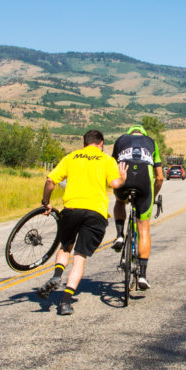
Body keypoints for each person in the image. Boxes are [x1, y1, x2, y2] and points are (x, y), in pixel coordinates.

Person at [37, 130, 128, 315]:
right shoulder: (107, 160)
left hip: (71, 209)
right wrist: (123, 178)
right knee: (79, 258)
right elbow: (116, 184)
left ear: (84, 143)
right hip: (96, 213)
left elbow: (50, 180)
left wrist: (46, 202)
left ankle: (56, 276)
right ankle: (65, 302)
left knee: (65, 247)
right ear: (101, 143)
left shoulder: (71, 157)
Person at [111, 125, 164, 290]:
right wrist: (152, 197)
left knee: (120, 201)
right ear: (144, 134)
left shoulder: (120, 140)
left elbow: (112, 168)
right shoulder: (151, 142)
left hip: (124, 178)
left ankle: (120, 235)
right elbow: (160, 178)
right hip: (144, 184)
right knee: (143, 230)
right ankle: (142, 275)